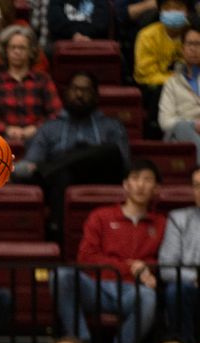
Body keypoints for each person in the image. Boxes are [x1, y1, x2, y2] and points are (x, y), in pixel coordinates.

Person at [54, 159, 165, 343]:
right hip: (97, 285)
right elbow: (86, 257)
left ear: (156, 189)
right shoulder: (101, 216)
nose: (140, 185)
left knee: (149, 299)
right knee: (61, 275)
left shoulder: (161, 223)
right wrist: (131, 267)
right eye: (135, 179)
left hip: (133, 291)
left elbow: (165, 259)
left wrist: (148, 268)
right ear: (125, 185)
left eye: (147, 180)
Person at [14, 71, 130, 233]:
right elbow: (32, 163)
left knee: (110, 150)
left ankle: (55, 166)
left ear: (96, 96)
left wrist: (48, 166)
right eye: (75, 89)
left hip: (100, 178)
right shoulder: (49, 128)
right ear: (66, 93)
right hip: (60, 183)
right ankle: (58, 230)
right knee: (61, 173)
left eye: (86, 90)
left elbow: (123, 164)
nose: (79, 94)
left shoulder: (111, 126)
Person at [0, 25, 62, 147]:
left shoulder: (43, 80)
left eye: (22, 48)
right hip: (0, 140)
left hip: (38, 139)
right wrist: (6, 129)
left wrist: (35, 128)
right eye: (13, 47)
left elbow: (56, 113)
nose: (17, 51)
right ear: (6, 51)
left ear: (31, 52)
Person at [134, 0, 190, 135]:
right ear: (159, 11)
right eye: (167, 8)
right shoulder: (147, 35)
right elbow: (145, 73)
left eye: (178, 8)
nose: (173, 12)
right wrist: (174, 81)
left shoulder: (193, 33)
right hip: (155, 88)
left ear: (187, 11)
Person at [158, 167, 200, 343]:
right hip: (191, 287)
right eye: (197, 186)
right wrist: (197, 277)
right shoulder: (178, 218)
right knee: (176, 291)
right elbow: (167, 269)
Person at [158, 22, 200, 164]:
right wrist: (192, 124)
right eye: (191, 44)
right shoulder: (171, 84)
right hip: (180, 136)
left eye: (199, 44)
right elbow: (165, 122)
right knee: (181, 128)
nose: (195, 49)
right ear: (182, 49)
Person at [47, 0, 111, 44]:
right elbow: (56, 23)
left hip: (94, 44)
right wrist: (74, 34)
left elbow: (101, 24)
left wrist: (82, 36)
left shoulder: (100, 1)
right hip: (63, 44)